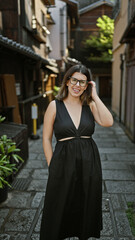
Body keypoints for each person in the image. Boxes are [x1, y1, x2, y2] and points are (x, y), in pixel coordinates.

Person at [40, 64, 113, 240]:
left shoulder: (90, 105)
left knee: (85, 203)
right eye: (74, 80)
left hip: (89, 164)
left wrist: (95, 95)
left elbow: (108, 121)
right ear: (67, 81)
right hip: (62, 164)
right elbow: (46, 139)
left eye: (82, 82)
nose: (77, 85)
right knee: (59, 205)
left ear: (87, 85)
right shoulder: (54, 106)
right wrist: (52, 165)